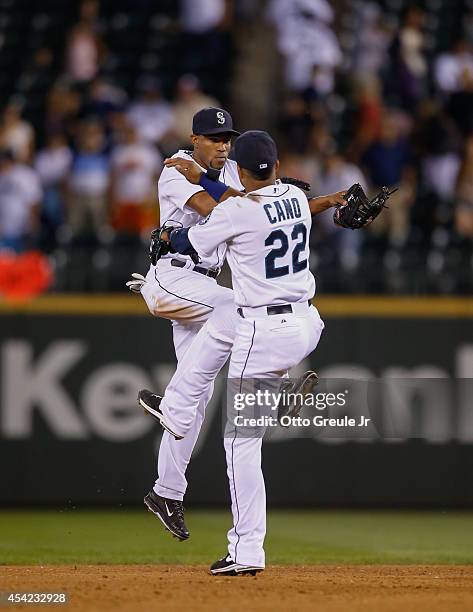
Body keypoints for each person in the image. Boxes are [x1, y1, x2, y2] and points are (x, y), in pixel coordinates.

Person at [128, 111, 346, 548]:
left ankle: (165, 492)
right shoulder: (177, 169)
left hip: (203, 286)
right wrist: (292, 199)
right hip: (173, 277)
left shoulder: (229, 170)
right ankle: (266, 392)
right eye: (213, 139)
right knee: (241, 308)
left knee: (199, 392)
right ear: (194, 140)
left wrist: (329, 200)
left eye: (227, 139)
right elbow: (221, 208)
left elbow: (264, 206)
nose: (222, 146)